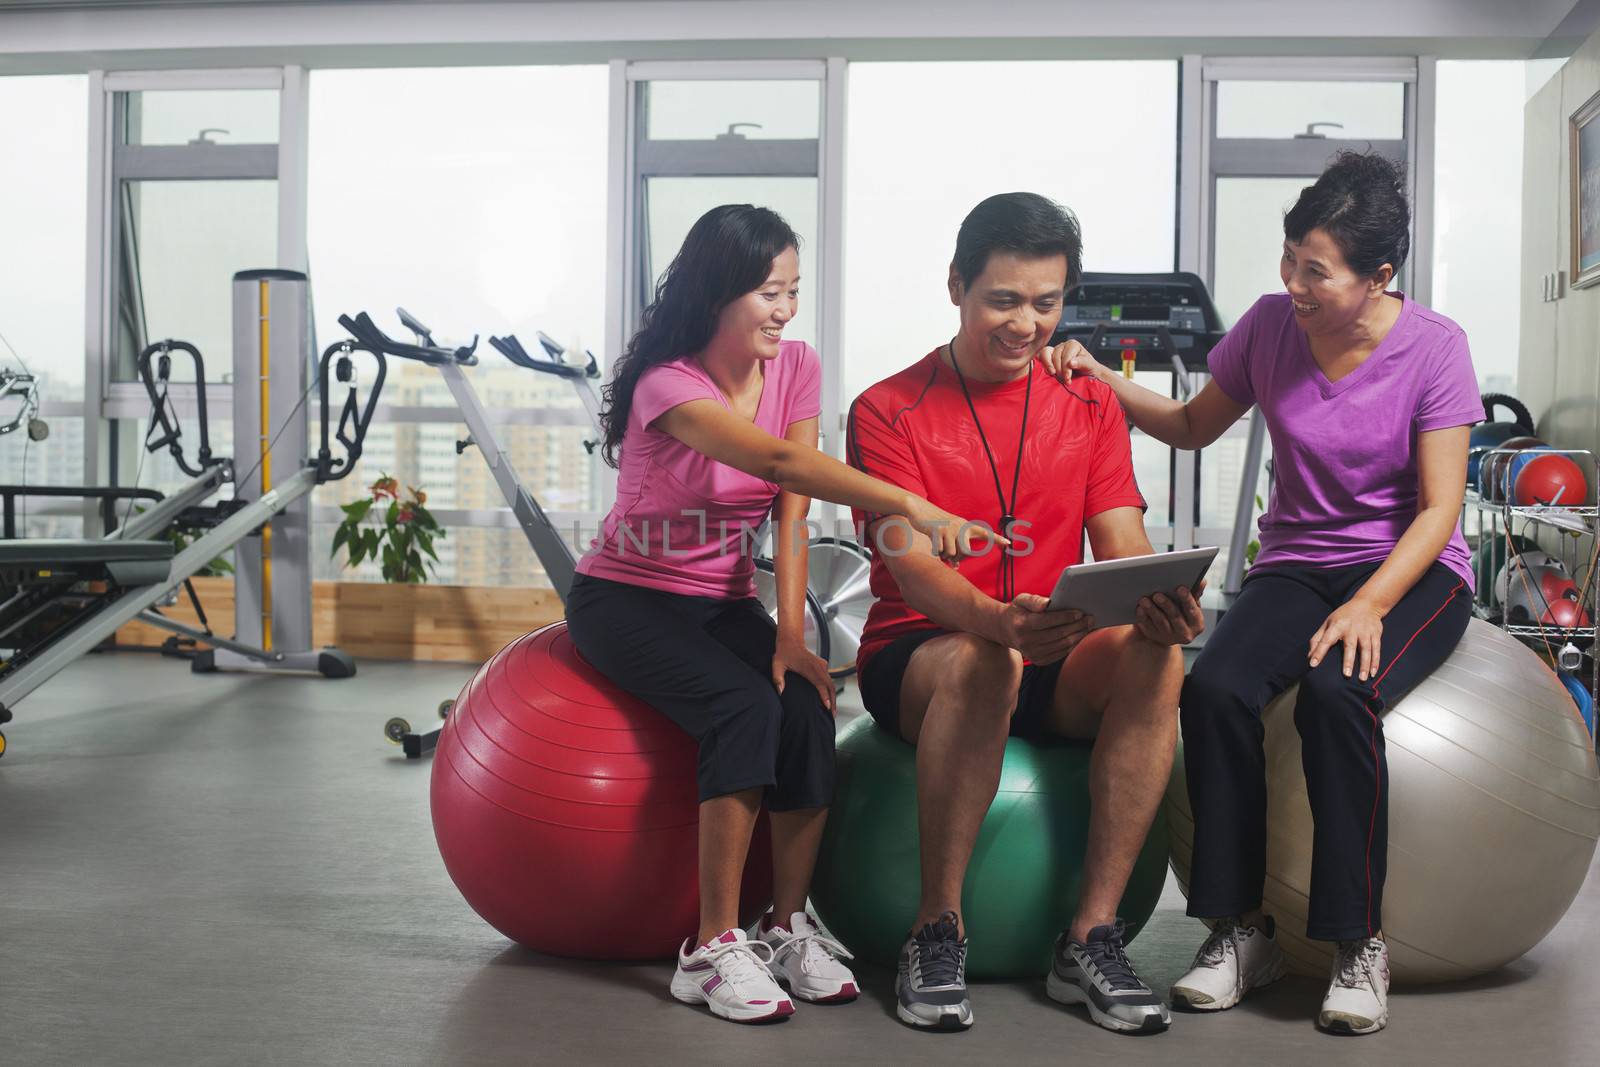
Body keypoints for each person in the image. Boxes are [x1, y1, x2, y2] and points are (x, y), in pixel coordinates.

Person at [1048, 151, 1479, 1035]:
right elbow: (1191, 425)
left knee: (1336, 692)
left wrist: (1368, 605)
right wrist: (1098, 377)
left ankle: (1359, 943)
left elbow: (1439, 511)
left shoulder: (1436, 348)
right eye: (1289, 260)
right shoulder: (1270, 327)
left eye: (1314, 271)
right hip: (1297, 562)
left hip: (1411, 568)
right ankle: (1241, 930)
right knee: (1213, 688)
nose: (1293, 284)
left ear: (1379, 275)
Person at [563, 204, 999, 1026]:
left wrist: (794, 637)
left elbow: (792, 508)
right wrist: (911, 500)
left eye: (794, 290)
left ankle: (785, 924)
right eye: (769, 291)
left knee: (803, 704)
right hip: (625, 598)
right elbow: (775, 457)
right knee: (738, 706)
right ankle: (711, 946)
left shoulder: (795, 365)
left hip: (724, 598)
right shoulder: (670, 383)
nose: (786, 310)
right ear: (717, 293)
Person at [846, 192, 1204, 1036]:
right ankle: (937, 927)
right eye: (1004, 300)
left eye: (1047, 303)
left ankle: (1091, 935)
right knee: (985, 660)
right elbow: (915, 570)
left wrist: (1157, 599)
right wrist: (999, 625)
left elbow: (1122, 539)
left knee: (1158, 656)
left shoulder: (1089, 405)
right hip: (923, 651)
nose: (1026, 324)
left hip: (1055, 641)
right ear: (956, 287)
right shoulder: (885, 410)